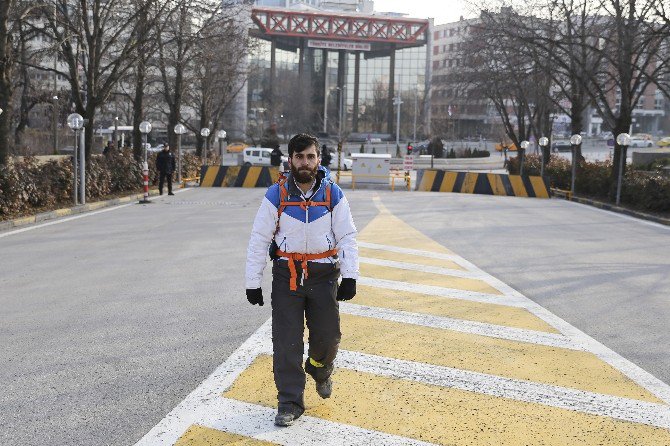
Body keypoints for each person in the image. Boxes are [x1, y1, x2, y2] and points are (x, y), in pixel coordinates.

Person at [245, 133, 359, 427]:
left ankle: (320, 369)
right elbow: (259, 239)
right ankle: (290, 401)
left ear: (318, 159)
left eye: (310, 156)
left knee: (328, 338)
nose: (305, 162)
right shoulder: (276, 195)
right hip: (288, 277)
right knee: (286, 342)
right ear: (290, 160)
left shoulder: (333, 194)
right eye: (299, 157)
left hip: (323, 277)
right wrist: (252, 281)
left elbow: (347, 236)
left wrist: (350, 276)